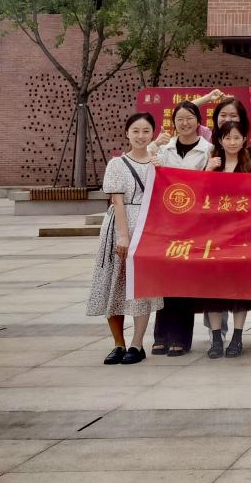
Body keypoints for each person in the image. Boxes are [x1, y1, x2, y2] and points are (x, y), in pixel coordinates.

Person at [86, 113, 163, 365]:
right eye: (135, 131)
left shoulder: (158, 162)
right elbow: (117, 201)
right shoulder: (116, 164)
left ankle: (137, 344)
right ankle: (118, 343)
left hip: (148, 228)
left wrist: (160, 169)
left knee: (142, 287)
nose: (140, 136)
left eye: (146, 131)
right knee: (113, 283)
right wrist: (123, 235)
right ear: (127, 133)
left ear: (152, 134)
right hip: (120, 228)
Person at [149, 100, 210, 355]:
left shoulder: (208, 151)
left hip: (194, 225)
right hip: (167, 224)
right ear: (173, 123)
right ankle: (161, 334)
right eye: (179, 119)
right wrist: (154, 146)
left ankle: (181, 337)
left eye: (189, 118)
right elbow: (145, 161)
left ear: (198, 121)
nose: (184, 123)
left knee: (185, 280)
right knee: (164, 279)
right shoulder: (165, 150)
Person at [198, 121, 251, 359]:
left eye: (237, 137)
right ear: (220, 140)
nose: (232, 142)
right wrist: (207, 171)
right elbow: (199, 197)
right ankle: (216, 338)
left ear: (244, 139)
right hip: (214, 236)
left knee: (239, 289)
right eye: (227, 138)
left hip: (242, 235)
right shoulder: (212, 164)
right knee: (213, 288)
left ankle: (237, 337)